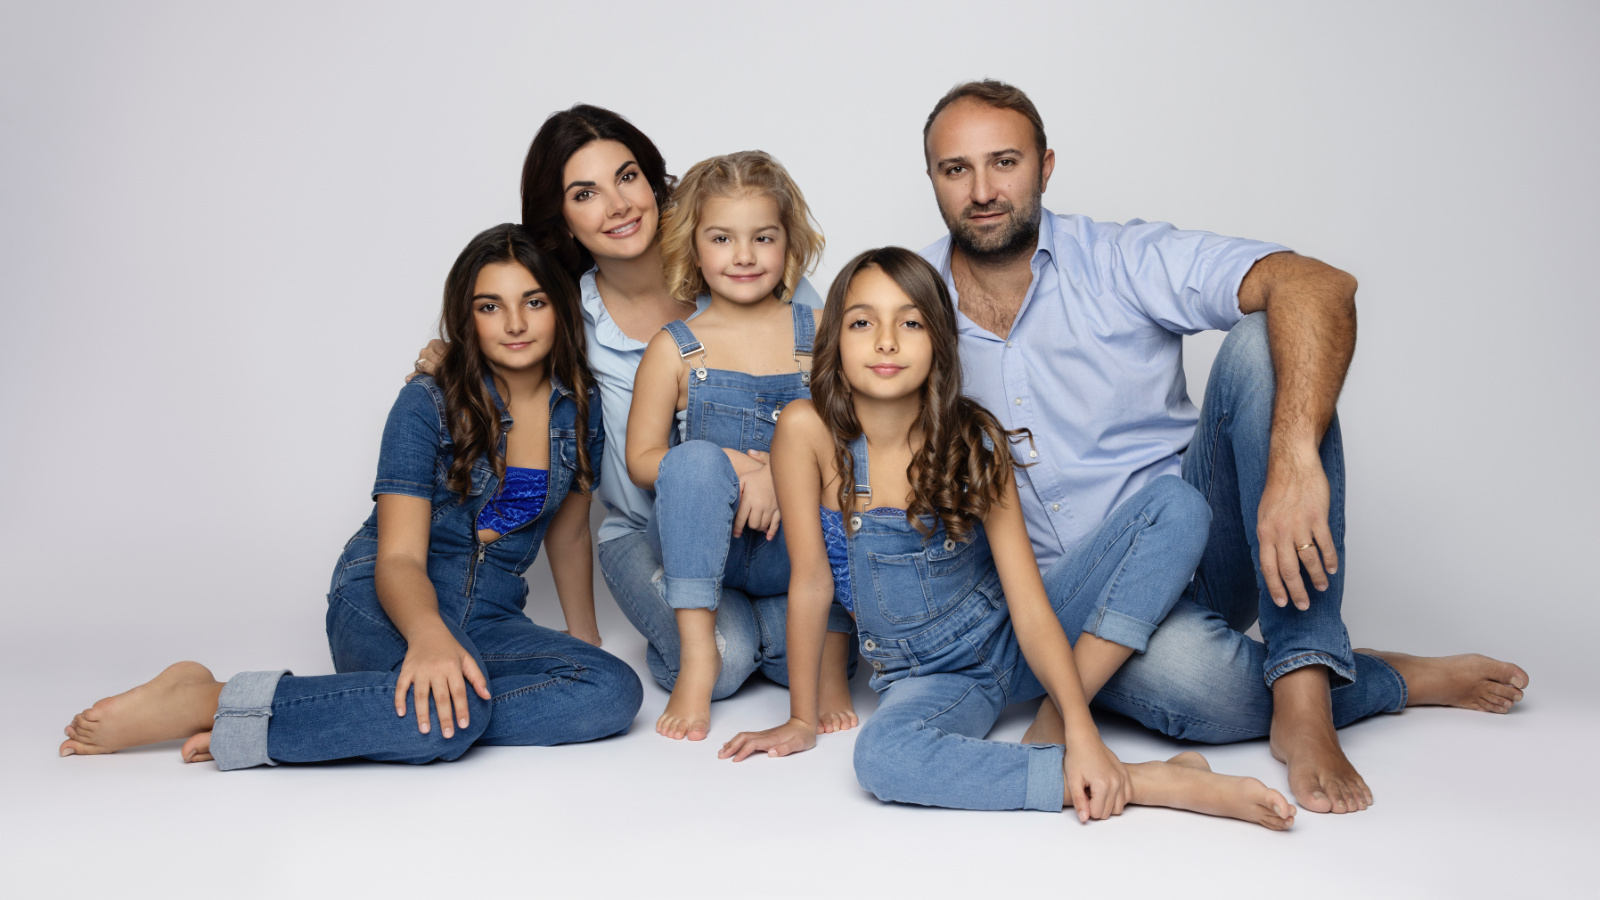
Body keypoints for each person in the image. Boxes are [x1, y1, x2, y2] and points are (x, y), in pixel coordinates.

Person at [916, 80, 1528, 814]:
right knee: (1198, 689)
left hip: (1205, 541)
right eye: (957, 170)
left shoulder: (1119, 258)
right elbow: (826, 399)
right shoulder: (907, 303)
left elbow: (1318, 284)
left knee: (1266, 337)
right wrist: (761, 462)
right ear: (933, 181)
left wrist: (1294, 460)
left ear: (1045, 167)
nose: (983, 190)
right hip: (1078, 605)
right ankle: (1378, 676)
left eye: (1004, 162)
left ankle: (1303, 687)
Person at [720, 247, 1296, 828]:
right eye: (863, 322)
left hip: (1014, 641)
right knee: (881, 759)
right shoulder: (805, 430)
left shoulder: (974, 441)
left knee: (1176, 503)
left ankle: (1339, 676)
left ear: (940, 341)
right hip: (931, 678)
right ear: (835, 341)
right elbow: (813, 582)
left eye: (911, 322)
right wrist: (800, 717)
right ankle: (1142, 780)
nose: (886, 341)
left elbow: (1029, 604)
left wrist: (1078, 726)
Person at [59, 225, 642, 767]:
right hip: (387, 598)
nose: (514, 323)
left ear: (560, 310)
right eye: (490, 306)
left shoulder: (580, 409)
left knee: (612, 691)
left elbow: (567, 535)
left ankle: (359, 706)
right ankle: (215, 702)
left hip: (489, 615)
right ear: (467, 319)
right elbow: (398, 558)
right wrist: (430, 635)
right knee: (448, 723)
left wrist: (583, 640)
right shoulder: (428, 404)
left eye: (533, 301)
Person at [494, 106, 828, 709]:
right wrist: (447, 354)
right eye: (585, 193)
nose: (617, 205)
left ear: (654, 183)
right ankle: (721, 634)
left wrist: (785, 475)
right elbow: (496, 337)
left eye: (626, 177)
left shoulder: (750, 266)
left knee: (824, 643)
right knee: (725, 662)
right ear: (564, 220)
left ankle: (758, 624)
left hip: (783, 530)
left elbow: (844, 403)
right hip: (650, 535)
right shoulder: (565, 321)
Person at [625, 151, 855, 741]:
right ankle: (699, 653)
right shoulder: (675, 348)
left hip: (791, 552)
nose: (745, 255)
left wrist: (780, 475)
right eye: (723, 238)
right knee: (694, 461)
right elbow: (643, 459)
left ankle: (820, 655)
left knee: (839, 476)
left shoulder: (821, 332)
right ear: (694, 248)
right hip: (706, 551)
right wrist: (734, 465)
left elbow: (852, 442)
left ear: (789, 245)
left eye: (764, 237)